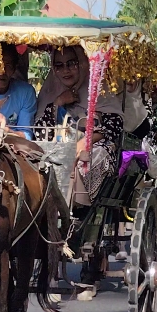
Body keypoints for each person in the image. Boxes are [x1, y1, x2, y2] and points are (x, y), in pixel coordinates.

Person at [35, 45, 125, 205]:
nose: (66, 71)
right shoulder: (50, 91)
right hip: (56, 147)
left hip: (94, 148)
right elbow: (40, 132)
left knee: (82, 162)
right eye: (59, 66)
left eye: (72, 63)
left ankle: (74, 207)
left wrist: (85, 142)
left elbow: (115, 126)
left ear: (83, 63)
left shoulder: (100, 88)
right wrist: (58, 102)